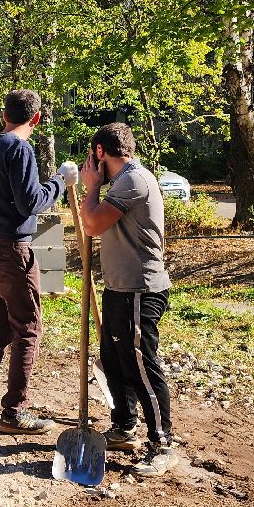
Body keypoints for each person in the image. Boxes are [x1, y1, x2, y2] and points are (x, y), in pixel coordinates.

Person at [0, 89, 79, 434]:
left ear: (3, 115)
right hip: (11, 248)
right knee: (28, 327)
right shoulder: (20, 149)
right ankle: (14, 412)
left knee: (2, 322)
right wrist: (60, 181)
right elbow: (30, 203)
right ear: (36, 118)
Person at [77, 122, 176, 476]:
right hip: (119, 287)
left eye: (92, 155)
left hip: (140, 289)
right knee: (114, 362)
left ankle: (163, 443)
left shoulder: (134, 180)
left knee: (140, 367)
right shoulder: (120, 181)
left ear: (100, 152)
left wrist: (90, 189)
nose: (90, 163)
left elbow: (91, 224)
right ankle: (124, 426)